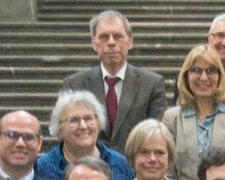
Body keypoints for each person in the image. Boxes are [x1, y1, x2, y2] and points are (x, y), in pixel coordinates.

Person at [60, 10, 169, 149]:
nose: (111, 42)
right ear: (93, 43)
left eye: (118, 36)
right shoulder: (74, 85)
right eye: (104, 37)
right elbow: (65, 133)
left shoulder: (151, 84)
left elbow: (157, 135)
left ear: (130, 41)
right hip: (88, 166)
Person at [162, 46, 225, 180]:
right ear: (185, 75)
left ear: (220, 76)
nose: (204, 77)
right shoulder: (172, 118)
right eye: (196, 70)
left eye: (211, 71)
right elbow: (168, 173)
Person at [36, 91, 134, 180]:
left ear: (98, 123)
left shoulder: (121, 163)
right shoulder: (42, 168)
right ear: (59, 129)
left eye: (88, 118)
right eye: (73, 120)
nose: (83, 126)